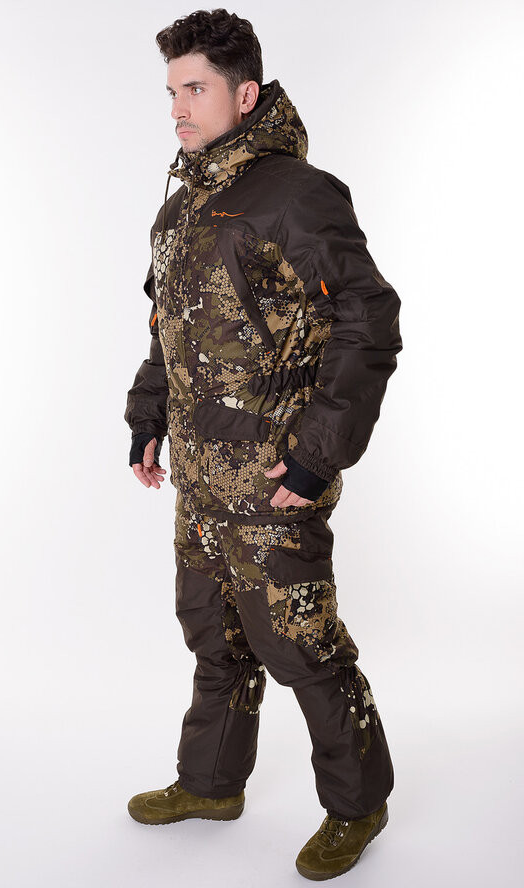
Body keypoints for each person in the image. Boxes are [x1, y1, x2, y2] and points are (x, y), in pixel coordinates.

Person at [124, 8, 402, 881]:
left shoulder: (296, 194)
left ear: (245, 95)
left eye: (195, 88)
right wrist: (147, 416)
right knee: (214, 636)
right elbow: (170, 331)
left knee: (302, 644)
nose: (178, 107)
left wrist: (320, 453)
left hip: (274, 479)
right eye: (172, 90)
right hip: (202, 481)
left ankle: (358, 804)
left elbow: (368, 317)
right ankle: (211, 784)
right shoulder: (181, 208)